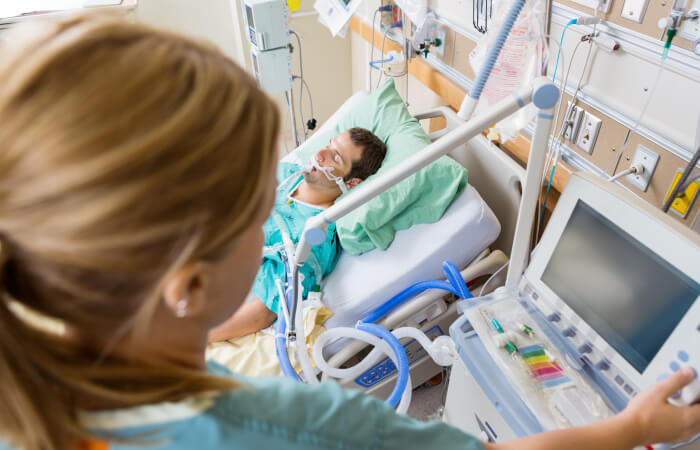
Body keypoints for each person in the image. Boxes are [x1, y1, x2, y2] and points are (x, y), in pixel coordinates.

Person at [0, 13, 698, 450]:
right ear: (187, 285)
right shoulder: (286, 425)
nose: (298, 169)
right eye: (253, 197)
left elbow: (282, 293)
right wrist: (635, 429)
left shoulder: (47, 369)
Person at [208, 127, 386, 341]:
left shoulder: (317, 234)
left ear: (351, 183)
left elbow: (267, 311)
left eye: (335, 157)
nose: (320, 154)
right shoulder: (285, 174)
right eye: (329, 145)